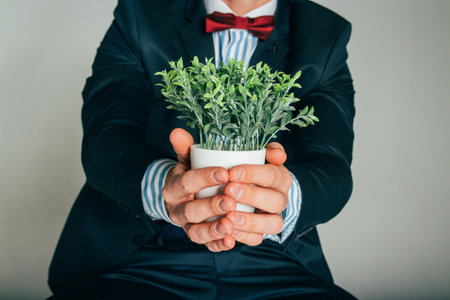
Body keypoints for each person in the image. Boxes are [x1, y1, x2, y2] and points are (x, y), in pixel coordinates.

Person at [48, 0, 356, 298]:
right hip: (141, 255)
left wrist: (284, 199)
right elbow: (105, 137)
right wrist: (165, 188)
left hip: (273, 258)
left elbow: (332, 166)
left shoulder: (323, 32)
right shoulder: (142, 12)